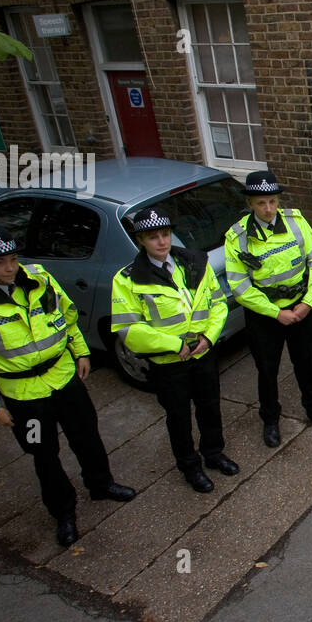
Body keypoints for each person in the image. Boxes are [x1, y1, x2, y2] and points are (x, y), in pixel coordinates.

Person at [0, 223, 134, 547]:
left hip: (64, 378)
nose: (9, 268)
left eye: (13, 259)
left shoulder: (39, 278)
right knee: (44, 455)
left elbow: (67, 315)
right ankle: (63, 512)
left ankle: (101, 484)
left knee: (87, 437)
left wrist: (81, 351)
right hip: (23, 394)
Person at [110, 206, 238, 493]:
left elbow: (217, 304)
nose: (161, 241)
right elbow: (129, 330)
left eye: (165, 234)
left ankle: (214, 453)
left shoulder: (193, 263)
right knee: (178, 417)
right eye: (152, 237)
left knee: (210, 408)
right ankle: (189, 466)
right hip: (169, 364)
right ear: (140, 241)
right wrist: (176, 344)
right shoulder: (128, 279)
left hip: (203, 354)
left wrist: (208, 337)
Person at [224, 168, 312, 448]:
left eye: (272, 201)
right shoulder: (237, 238)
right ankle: (270, 419)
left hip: (301, 309)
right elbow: (240, 287)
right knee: (267, 370)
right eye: (261, 203)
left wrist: (308, 302)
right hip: (265, 316)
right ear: (249, 203)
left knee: (307, 363)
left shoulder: (297, 223)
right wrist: (276, 313)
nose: (268, 208)